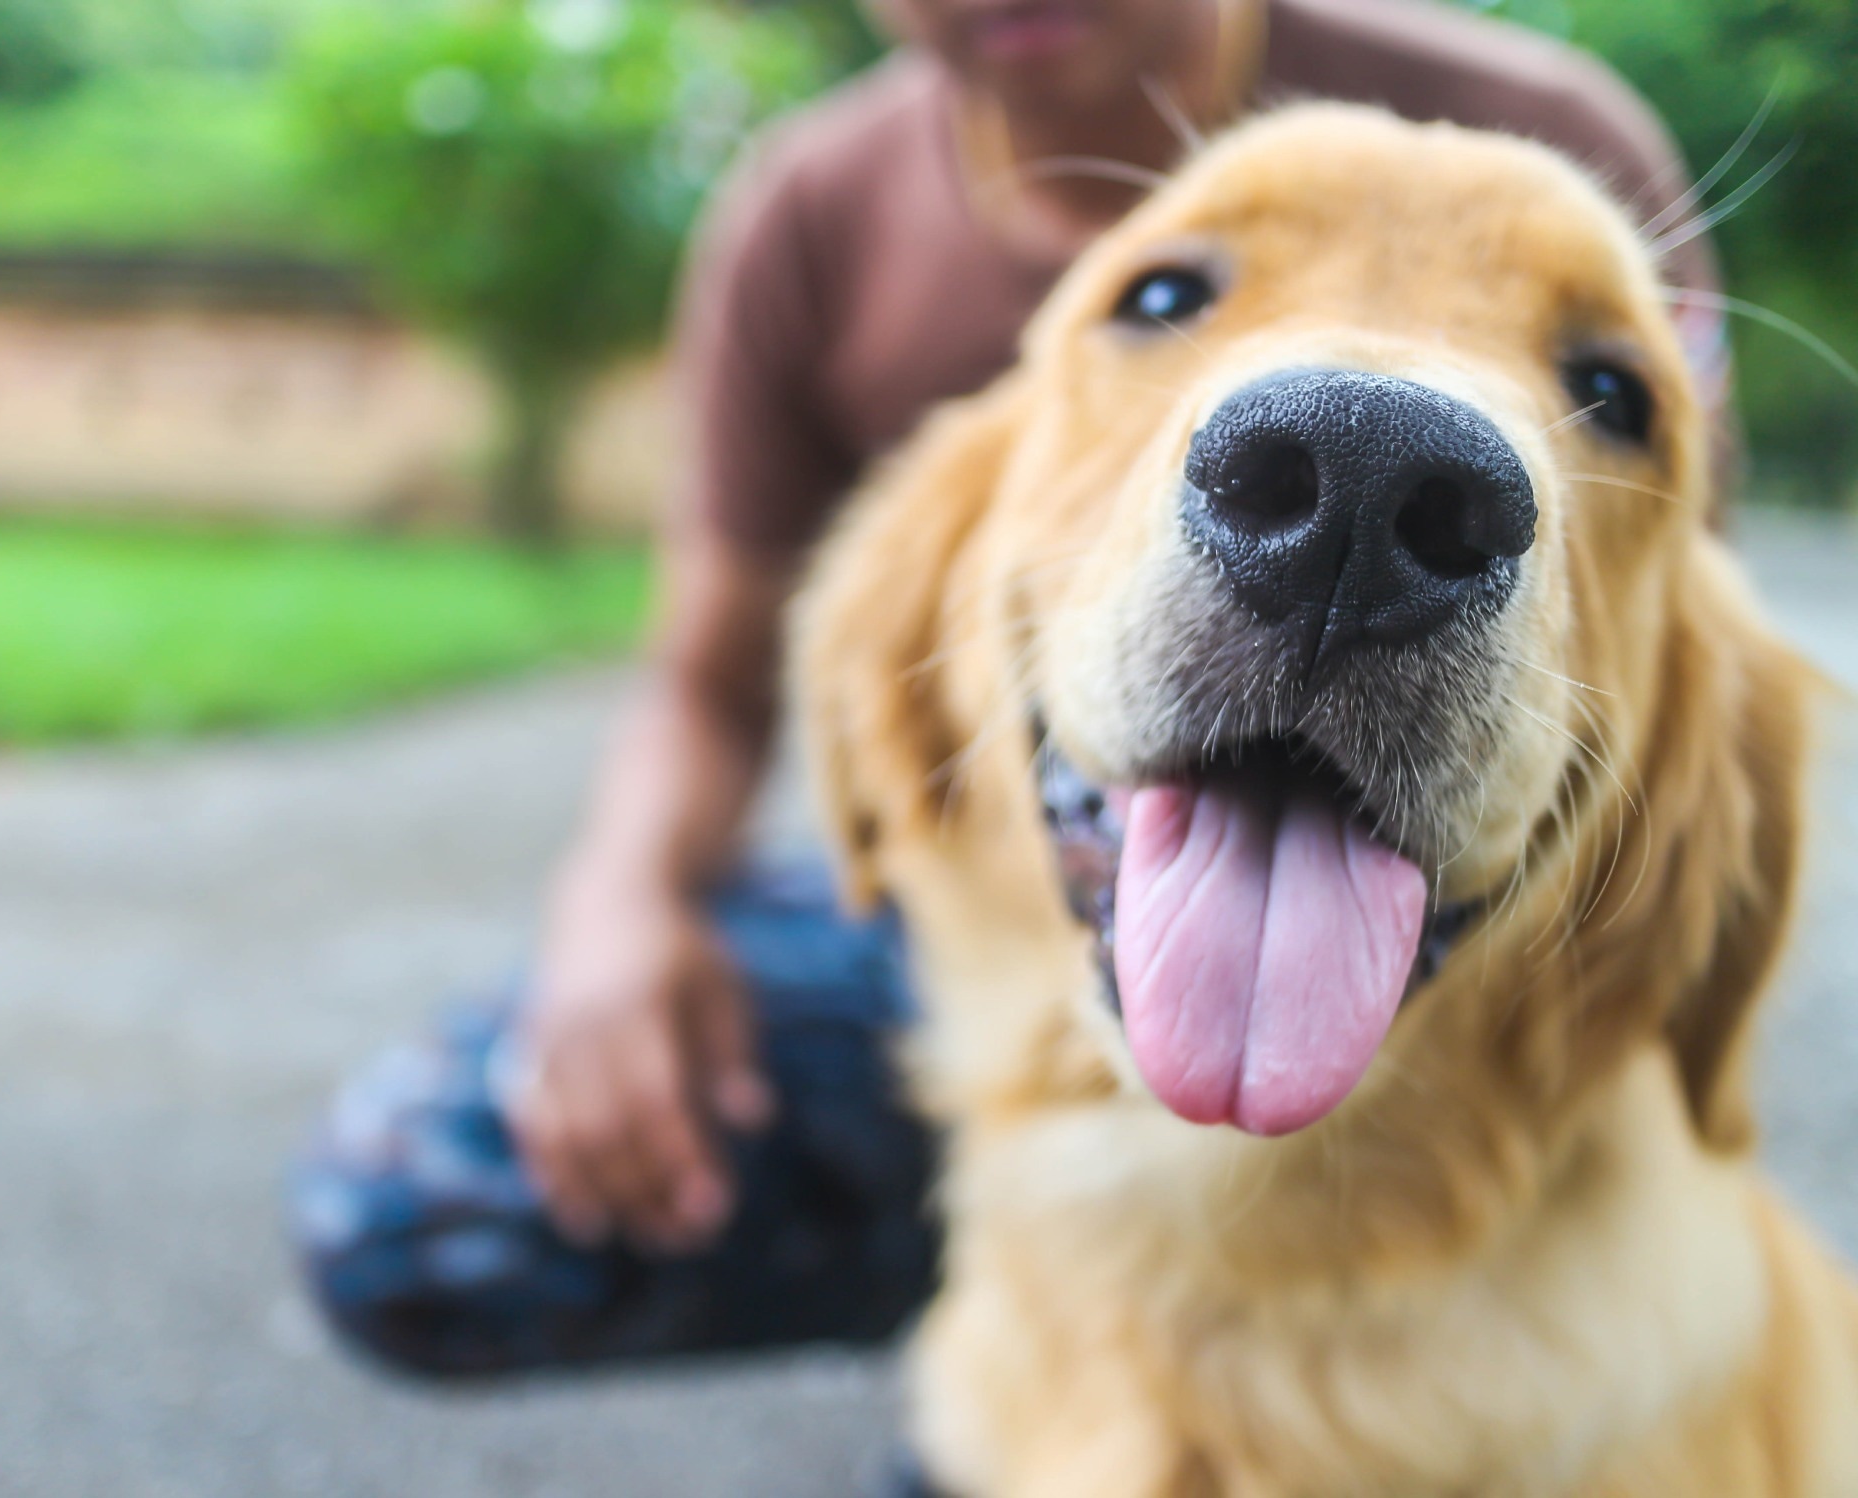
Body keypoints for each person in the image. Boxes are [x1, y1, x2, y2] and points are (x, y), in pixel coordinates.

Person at [291, 0, 1732, 1387]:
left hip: (1482, 985)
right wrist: (615, 912)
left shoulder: (1550, 129)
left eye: (1604, 389)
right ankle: (1033, 1337)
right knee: (425, 1210)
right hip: (965, 923)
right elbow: (710, 675)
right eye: (1164, 300)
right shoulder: (809, 209)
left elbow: (1681, 661)